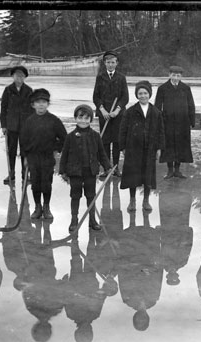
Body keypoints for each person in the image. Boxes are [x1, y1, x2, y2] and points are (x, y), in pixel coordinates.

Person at [59, 104, 112, 232]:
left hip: (90, 171)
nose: (83, 121)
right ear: (75, 118)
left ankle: (92, 220)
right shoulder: (70, 136)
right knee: (75, 196)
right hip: (75, 172)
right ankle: (74, 220)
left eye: (86, 118)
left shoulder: (95, 135)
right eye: (80, 117)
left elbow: (101, 153)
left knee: (91, 196)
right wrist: (63, 171)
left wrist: (107, 167)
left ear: (91, 120)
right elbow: (64, 154)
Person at [21, 88, 67, 220]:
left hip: (47, 157)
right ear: (33, 104)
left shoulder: (54, 120)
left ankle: (46, 207)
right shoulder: (29, 121)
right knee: (35, 183)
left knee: (46, 183)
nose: (41, 104)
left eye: (44, 102)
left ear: (48, 104)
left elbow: (64, 138)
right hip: (33, 158)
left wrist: (55, 148)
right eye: (38, 102)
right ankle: (37, 207)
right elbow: (23, 140)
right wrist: (25, 157)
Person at [119, 80, 165, 212]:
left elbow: (161, 131)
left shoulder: (156, 112)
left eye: (145, 93)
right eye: (140, 93)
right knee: (133, 175)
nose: (143, 96)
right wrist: (123, 147)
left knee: (148, 175)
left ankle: (146, 200)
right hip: (133, 148)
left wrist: (159, 148)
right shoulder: (130, 111)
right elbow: (123, 130)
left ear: (149, 94)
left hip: (150, 148)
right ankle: (132, 200)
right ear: (136, 95)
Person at [155, 65, 196, 179]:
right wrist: (158, 122)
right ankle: (169, 171)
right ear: (169, 75)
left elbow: (191, 105)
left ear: (181, 76)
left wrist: (191, 121)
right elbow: (157, 106)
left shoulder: (186, 88)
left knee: (181, 145)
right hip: (167, 122)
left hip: (183, 122)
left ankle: (177, 170)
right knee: (168, 145)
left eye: (178, 75)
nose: (176, 78)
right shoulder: (162, 88)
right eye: (173, 75)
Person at [93, 50, 129, 177]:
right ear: (105, 63)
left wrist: (117, 110)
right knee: (105, 142)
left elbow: (125, 97)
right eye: (108, 62)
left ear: (117, 63)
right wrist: (102, 110)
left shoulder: (121, 78)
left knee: (117, 142)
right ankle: (106, 168)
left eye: (113, 62)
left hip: (117, 115)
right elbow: (95, 97)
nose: (110, 65)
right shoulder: (100, 77)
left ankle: (115, 168)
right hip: (104, 115)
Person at [0, 65, 34, 184]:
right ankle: (11, 173)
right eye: (16, 75)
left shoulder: (29, 90)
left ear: (25, 77)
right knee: (11, 151)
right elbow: (3, 108)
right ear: (13, 76)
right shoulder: (8, 90)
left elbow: (32, 109)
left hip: (25, 126)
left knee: (25, 150)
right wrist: (3, 125)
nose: (19, 78)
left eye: (21, 76)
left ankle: (25, 174)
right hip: (11, 126)